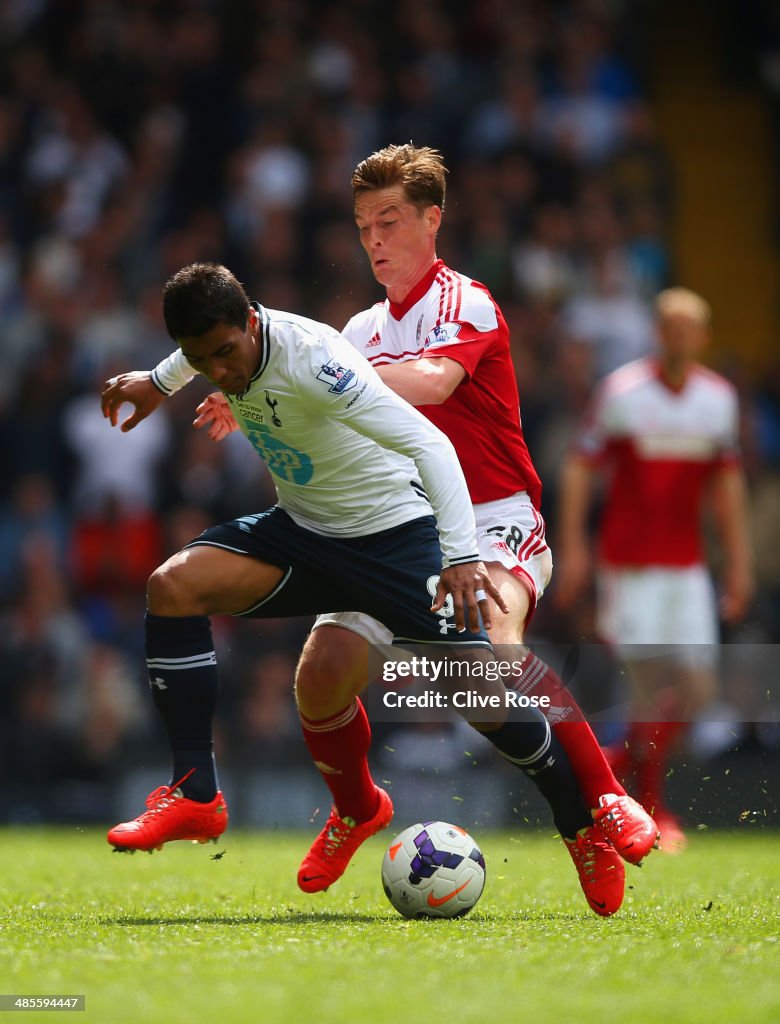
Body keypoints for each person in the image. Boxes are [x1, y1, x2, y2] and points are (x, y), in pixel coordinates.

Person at [108, 147, 660, 916]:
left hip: (492, 516)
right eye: (364, 224)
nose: (374, 239)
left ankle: (597, 809)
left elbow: (429, 386)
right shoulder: (359, 327)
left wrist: (301, 380)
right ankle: (355, 809)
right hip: (388, 515)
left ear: (434, 220)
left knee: (491, 661)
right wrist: (254, 383)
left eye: (391, 220)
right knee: (322, 672)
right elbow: (262, 350)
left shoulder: (466, 303)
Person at [555, 286, 754, 849]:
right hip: (630, 564)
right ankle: (650, 810)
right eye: (670, 326)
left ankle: (611, 767)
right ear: (657, 332)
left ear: (704, 337)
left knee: (697, 688)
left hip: (688, 566)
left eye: (690, 328)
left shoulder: (718, 400)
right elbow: (579, 465)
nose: (679, 336)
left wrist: (738, 564)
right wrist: (576, 548)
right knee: (649, 687)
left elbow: (727, 486)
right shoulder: (622, 392)